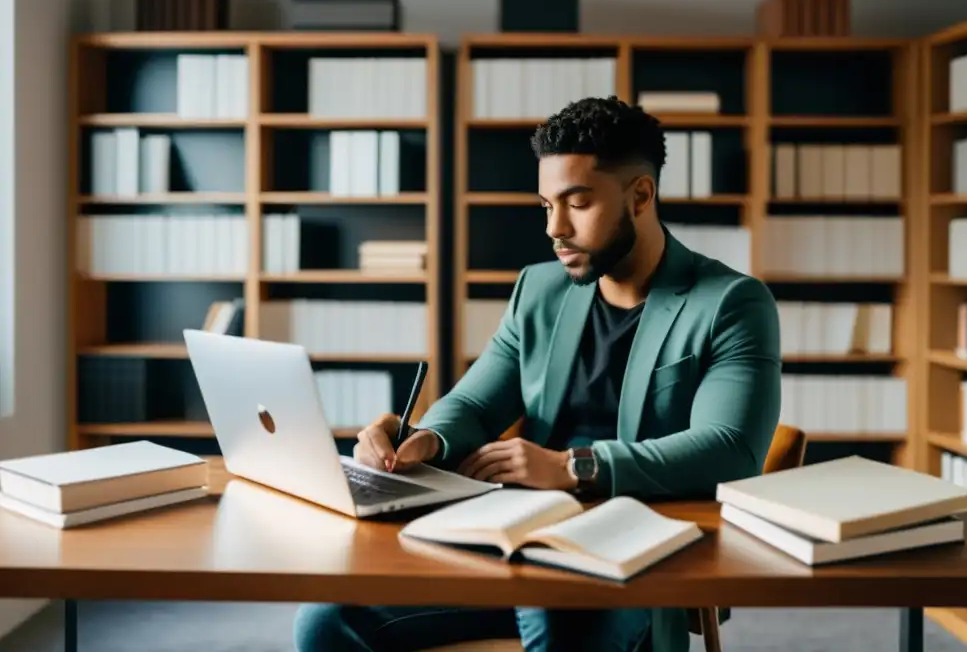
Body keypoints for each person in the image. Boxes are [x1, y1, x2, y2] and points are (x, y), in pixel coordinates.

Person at [292, 96, 782, 652]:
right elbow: (475, 405)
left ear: (641, 196)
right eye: (546, 204)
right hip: (516, 530)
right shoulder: (539, 289)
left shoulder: (731, 303)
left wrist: (574, 466)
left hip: (635, 548)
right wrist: (427, 440)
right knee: (326, 619)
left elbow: (731, 448)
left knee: (556, 617)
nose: (555, 228)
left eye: (578, 203)